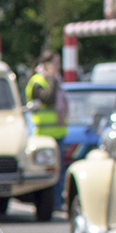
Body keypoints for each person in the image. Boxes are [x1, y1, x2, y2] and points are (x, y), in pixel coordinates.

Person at [26, 51, 69, 220]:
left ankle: (58, 203)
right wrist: (51, 78)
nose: (58, 67)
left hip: (58, 133)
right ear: (46, 65)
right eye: (55, 63)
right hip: (43, 135)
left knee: (59, 172)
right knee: (50, 174)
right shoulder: (38, 81)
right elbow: (48, 99)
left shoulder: (57, 81)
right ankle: (54, 204)